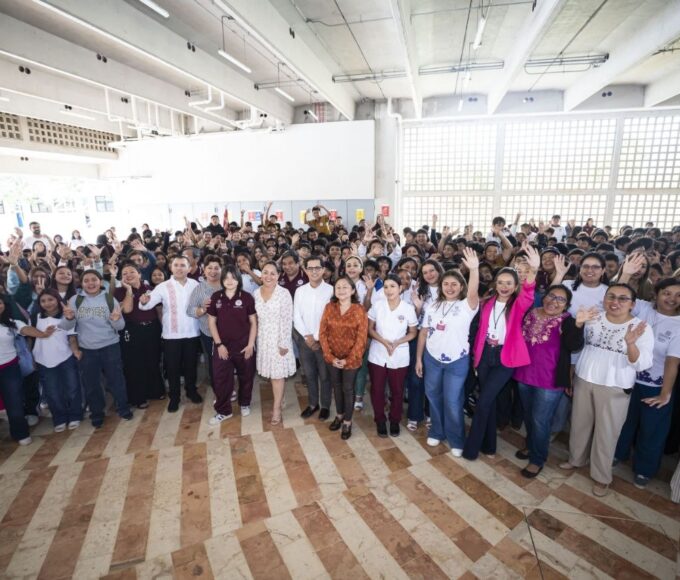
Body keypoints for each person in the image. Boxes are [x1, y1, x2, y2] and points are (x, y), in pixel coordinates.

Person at [560, 283, 654, 497]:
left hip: (615, 386)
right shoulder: (594, 317)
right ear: (604, 299)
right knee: (579, 424)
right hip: (585, 378)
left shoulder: (641, 327)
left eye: (623, 298)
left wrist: (631, 344)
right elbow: (575, 346)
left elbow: (642, 364)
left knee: (607, 433)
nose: (615, 302)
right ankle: (576, 459)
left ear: (632, 304)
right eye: (611, 296)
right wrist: (578, 325)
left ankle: (602, 477)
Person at [463, 244, 540, 460]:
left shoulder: (519, 304)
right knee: (489, 402)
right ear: (495, 284)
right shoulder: (487, 302)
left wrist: (533, 270)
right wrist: (476, 360)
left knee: (483, 402)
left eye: (509, 283)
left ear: (516, 286)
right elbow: (479, 330)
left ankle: (471, 449)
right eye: (500, 282)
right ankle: (489, 446)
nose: (504, 286)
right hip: (485, 356)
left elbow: (529, 292)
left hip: (505, 358)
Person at [514, 285, 596, 478]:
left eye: (561, 299)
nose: (554, 301)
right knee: (528, 415)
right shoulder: (531, 313)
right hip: (523, 374)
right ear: (544, 297)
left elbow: (574, 345)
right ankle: (530, 444)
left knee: (540, 420)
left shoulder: (568, 321)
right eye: (551, 296)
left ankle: (537, 459)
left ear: (566, 305)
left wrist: (579, 325)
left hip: (549, 381)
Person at [615, 278, 680, 488]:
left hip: (656, 385)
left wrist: (665, 394)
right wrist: (628, 273)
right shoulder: (643, 308)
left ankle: (644, 469)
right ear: (656, 293)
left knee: (652, 431)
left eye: (678, 295)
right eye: (666, 293)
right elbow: (621, 294)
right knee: (623, 422)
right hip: (628, 379)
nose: (672, 298)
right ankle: (617, 454)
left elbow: (672, 362)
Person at [415, 248, 479, 452]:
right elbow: (423, 333)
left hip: (457, 361)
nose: (450, 288)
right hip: (431, 358)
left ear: (461, 287)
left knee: (452, 401)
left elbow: (473, 292)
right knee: (433, 396)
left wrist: (474, 270)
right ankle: (436, 431)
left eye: (454, 284)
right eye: (446, 284)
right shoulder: (433, 306)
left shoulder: (467, 306)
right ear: (441, 286)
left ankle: (456, 439)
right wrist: (418, 359)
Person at [62, 270, 132, 428]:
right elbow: (66, 326)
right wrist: (69, 318)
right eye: (86, 280)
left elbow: (120, 326)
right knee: (92, 384)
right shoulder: (75, 300)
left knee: (116, 380)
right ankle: (97, 413)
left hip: (110, 346)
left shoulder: (109, 298)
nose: (90, 283)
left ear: (100, 282)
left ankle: (123, 408)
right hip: (87, 350)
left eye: (94, 279)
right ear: (81, 283)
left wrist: (115, 320)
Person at [139, 255, 203, 412]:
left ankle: (191, 391)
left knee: (191, 365)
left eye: (183, 265)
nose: (179, 268)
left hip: (192, 332)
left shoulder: (195, 284)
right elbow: (148, 304)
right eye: (176, 265)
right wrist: (144, 301)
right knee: (173, 368)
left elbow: (202, 304)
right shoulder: (163, 286)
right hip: (171, 335)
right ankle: (174, 397)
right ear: (171, 267)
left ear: (189, 268)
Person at [0, 294, 57, 444]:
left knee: (14, 401)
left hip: (9, 368)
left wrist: (43, 334)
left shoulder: (11, 323)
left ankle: (20, 433)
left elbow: (26, 329)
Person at [368, 273, 418, 437]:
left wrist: (397, 342)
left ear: (400, 288)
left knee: (397, 390)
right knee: (377, 389)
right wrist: (384, 342)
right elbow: (370, 329)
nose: (389, 290)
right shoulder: (377, 305)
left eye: (393, 286)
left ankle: (395, 419)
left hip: (399, 354)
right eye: (386, 287)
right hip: (378, 353)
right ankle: (380, 419)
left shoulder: (408, 308)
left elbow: (413, 332)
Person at [319, 276, 368, 440]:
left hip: (352, 358)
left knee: (348, 388)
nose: (341, 290)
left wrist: (348, 359)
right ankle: (339, 415)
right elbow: (322, 333)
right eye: (338, 287)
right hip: (332, 357)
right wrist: (330, 356)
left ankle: (347, 421)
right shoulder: (329, 307)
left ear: (353, 290)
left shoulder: (359, 310)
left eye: (345, 287)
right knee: (336, 386)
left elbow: (361, 338)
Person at [207, 266, 257, 424]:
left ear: (238, 279)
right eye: (226, 277)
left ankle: (245, 403)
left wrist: (250, 344)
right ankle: (223, 411)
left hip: (244, 345)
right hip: (222, 347)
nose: (229, 281)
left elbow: (253, 322)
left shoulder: (247, 297)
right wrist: (219, 344)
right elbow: (211, 322)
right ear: (222, 279)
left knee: (246, 376)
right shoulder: (216, 297)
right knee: (220, 379)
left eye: (233, 277)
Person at [114, 262, 165, 408]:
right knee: (135, 364)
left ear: (139, 274)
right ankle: (139, 397)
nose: (128, 275)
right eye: (124, 273)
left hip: (152, 328)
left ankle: (155, 391)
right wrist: (129, 290)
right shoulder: (119, 292)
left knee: (153, 360)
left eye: (132, 272)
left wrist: (163, 329)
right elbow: (127, 310)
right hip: (131, 330)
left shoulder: (150, 289)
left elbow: (158, 311)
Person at [32, 289, 83, 431]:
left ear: (57, 300)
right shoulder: (36, 317)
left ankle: (75, 415)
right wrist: (32, 357)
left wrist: (75, 351)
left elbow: (72, 337)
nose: (47, 303)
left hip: (65, 357)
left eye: (51, 299)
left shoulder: (67, 316)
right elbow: (31, 337)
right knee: (52, 391)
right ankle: (59, 418)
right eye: (43, 301)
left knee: (72, 387)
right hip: (43, 360)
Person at [254, 261, 296, 424]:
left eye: (273, 273)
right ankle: (281, 397)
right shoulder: (256, 293)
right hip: (263, 339)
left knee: (277, 376)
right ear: (261, 274)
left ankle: (276, 408)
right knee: (272, 374)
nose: (269, 276)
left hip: (279, 338)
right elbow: (254, 320)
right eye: (265, 272)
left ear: (278, 276)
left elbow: (287, 319)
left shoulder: (283, 293)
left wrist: (283, 343)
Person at [294, 256, 334, 421]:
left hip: (324, 341)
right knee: (309, 375)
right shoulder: (300, 291)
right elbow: (296, 316)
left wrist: (317, 337)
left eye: (317, 268)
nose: (314, 271)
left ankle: (325, 406)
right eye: (310, 268)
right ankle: (313, 404)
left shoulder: (331, 290)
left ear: (323, 270)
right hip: (305, 341)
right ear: (305, 270)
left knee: (325, 376)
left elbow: (331, 318)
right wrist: (307, 336)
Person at [186, 255, 223, 386]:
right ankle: (216, 386)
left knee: (227, 358)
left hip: (227, 331)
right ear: (204, 269)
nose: (213, 271)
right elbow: (190, 310)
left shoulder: (227, 285)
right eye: (210, 268)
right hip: (208, 332)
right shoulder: (199, 288)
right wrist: (202, 309)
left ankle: (227, 384)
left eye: (216, 268)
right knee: (212, 359)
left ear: (221, 269)